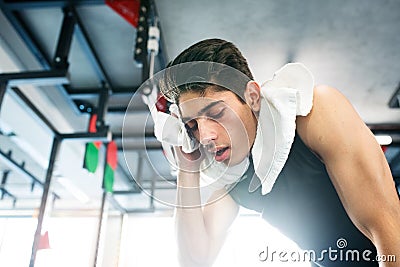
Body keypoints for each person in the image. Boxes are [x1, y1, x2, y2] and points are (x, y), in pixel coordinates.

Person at [155, 38, 400, 266]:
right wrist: (186, 169)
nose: (205, 136)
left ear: (252, 97)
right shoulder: (235, 177)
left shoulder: (316, 113)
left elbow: (387, 228)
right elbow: (195, 259)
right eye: (192, 125)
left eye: (217, 113)